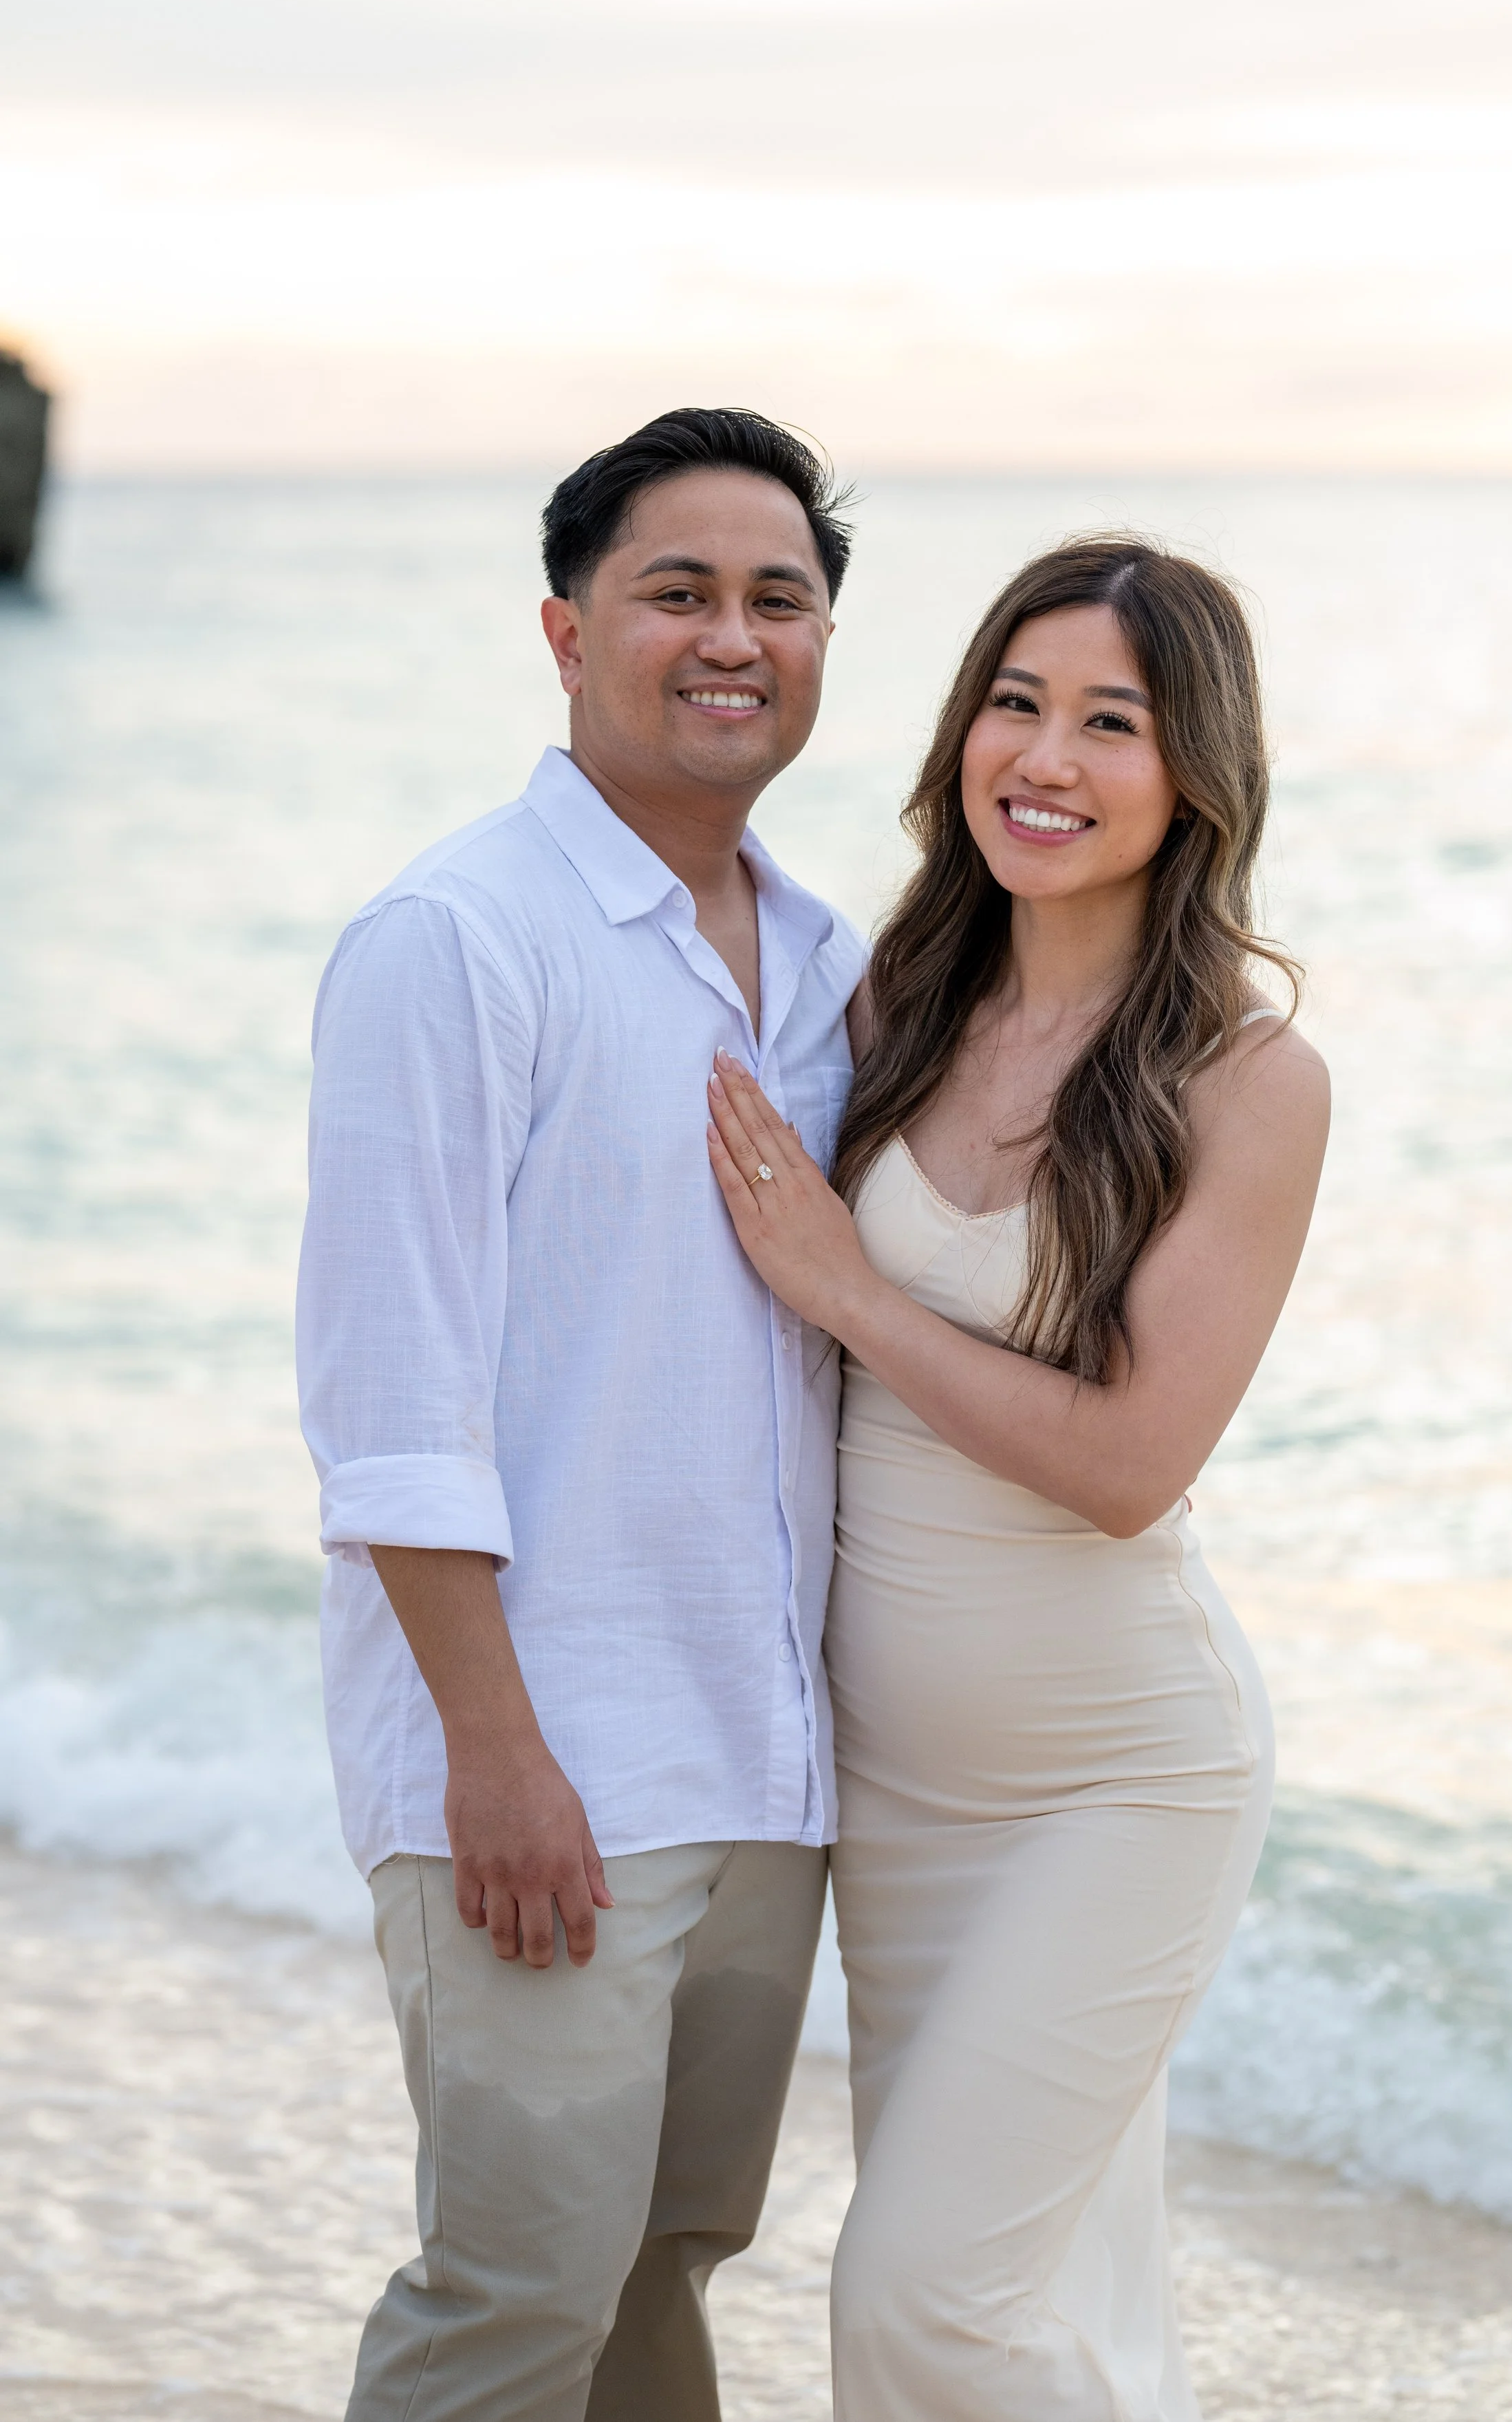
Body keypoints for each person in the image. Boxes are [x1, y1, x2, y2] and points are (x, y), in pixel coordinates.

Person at [706, 535, 1329, 2419]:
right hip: (899, 1791)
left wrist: (845, 1287)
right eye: (1014, 701)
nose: (1043, 757)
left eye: (1107, 722)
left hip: (1118, 1778)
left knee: (919, 2302)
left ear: (1191, 776)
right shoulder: (894, 999)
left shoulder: (1245, 1074)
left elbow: (1134, 1461)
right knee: (1032, 2317)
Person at [296, 407, 866, 2422]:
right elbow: (390, 1401)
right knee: (512, 2297)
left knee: (656, 2277)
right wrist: (497, 1754)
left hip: (759, 1761)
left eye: (776, 598)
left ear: (821, 642)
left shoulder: (830, 969)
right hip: (537, 1771)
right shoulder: (454, 940)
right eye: (676, 593)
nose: (732, 637)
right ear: (563, 631)